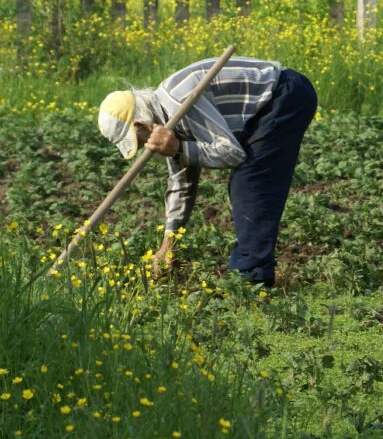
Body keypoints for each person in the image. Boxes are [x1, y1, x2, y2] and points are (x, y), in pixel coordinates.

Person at [97, 56, 317, 286]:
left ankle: (252, 281)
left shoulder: (180, 102)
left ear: (140, 125)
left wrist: (180, 148)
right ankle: (250, 274)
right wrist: (169, 243)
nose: (144, 148)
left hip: (285, 95)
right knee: (247, 180)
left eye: (139, 142)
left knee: (250, 182)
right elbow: (182, 184)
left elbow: (232, 153)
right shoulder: (167, 119)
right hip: (269, 104)